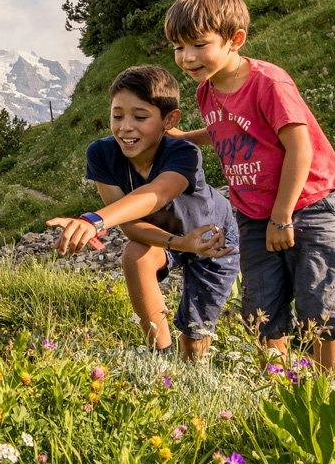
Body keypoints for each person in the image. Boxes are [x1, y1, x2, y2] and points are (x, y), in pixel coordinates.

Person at [166, 0, 335, 374]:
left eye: (199, 44)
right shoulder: (206, 91)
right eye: (178, 47)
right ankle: (277, 380)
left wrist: (282, 217)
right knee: (261, 301)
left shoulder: (268, 82)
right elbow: (226, 129)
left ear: (235, 39)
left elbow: (300, 148)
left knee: (319, 295)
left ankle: (330, 385)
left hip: (307, 205)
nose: (187, 57)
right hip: (253, 211)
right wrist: (186, 138)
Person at [47, 65, 238, 359]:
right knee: (135, 254)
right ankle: (159, 355)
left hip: (212, 239)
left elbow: (157, 193)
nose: (125, 127)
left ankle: (190, 366)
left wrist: (95, 220)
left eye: (140, 117)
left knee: (194, 333)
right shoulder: (101, 154)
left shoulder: (184, 153)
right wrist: (178, 243)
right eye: (117, 116)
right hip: (169, 237)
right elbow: (131, 225)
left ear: (169, 120)